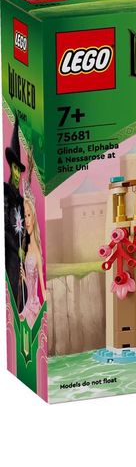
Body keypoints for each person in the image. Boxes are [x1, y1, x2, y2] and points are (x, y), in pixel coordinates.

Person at [4, 114, 27, 312]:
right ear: (10, 168)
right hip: (10, 252)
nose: (17, 174)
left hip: (22, 253)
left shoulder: (21, 199)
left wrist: (24, 246)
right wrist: (16, 247)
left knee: (23, 291)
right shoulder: (5, 192)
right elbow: (4, 224)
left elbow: (25, 225)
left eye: (20, 170)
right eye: (15, 169)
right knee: (12, 286)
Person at [19, 195, 44, 328]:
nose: (27, 221)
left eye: (29, 215)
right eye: (24, 216)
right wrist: (24, 278)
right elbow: (30, 281)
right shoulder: (25, 248)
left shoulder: (37, 253)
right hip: (26, 305)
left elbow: (42, 288)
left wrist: (45, 309)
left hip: (33, 307)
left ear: (33, 217)